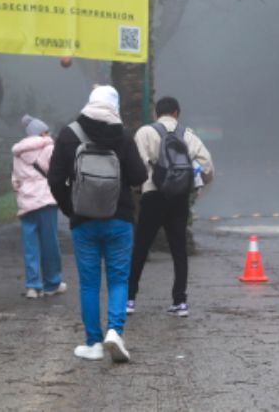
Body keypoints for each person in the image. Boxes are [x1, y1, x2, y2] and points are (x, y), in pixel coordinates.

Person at [48, 86, 147, 362]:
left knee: (89, 284)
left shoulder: (69, 135)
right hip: (119, 219)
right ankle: (115, 331)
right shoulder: (123, 136)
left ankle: (92, 342)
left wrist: (71, 209)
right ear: (114, 106)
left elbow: (55, 179)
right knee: (118, 280)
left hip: (84, 221)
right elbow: (139, 176)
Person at [128, 96, 214, 317]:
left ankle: (129, 299)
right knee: (178, 249)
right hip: (179, 197)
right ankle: (180, 301)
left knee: (141, 246)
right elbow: (207, 164)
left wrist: (140, 186)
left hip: (153, 194)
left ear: (156, 114)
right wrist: (197, 183)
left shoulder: (145, 132)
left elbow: (137, 165)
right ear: (177, 113)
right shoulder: (187, 134)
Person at [11, 114, 65, 299]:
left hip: (26, 203)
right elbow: (57, 172)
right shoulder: (49, 148)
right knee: (50, 243)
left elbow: (15, 180)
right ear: (42, 133)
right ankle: (52, 282)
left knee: (30, 245)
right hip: (45, 200)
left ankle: (32, 286)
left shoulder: (18, 154)